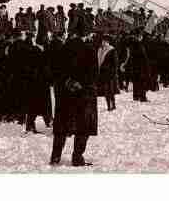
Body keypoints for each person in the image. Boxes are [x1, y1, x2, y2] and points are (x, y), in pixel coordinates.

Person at [50, 30, 98, 167]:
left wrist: (67, 82)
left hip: (65, 95)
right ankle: (77, 157)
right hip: (83, 95)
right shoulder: (89, 50)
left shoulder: (61, 49)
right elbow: (94, 74)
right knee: (83, 129)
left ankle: (55, 156)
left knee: (61, 128)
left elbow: (54, 71)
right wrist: (81, 84)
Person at [96, 34, 119, 111]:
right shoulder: (99, 50)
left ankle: (112, 105)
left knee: (110, 90)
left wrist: (114, 73)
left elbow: (115, 63)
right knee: (106, 91)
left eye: (104, 41)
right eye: (102, 41)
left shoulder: (112, 50)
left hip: (110, 73)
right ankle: (109, 105)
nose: (103, 42)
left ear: (107, 41)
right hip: (102, 73)